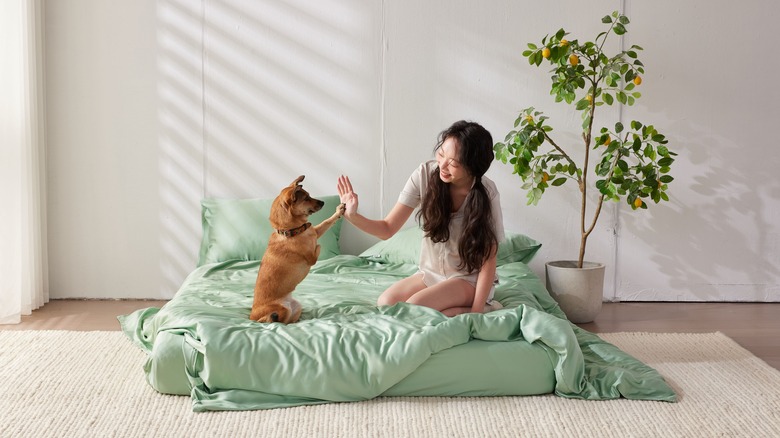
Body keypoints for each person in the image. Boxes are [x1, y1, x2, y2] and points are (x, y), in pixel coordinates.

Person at [337, 120, 504, 317]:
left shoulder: (487, 192)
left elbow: (489, 257)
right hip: (431, 274)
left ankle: (484, 307)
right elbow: (387, 229)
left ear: (472, 167)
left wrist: (476, 312)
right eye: (441, 154)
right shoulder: (424, 175)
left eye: (453, 163)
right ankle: (454, 309)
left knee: (414, 307)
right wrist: (352, 216)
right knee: (386, 303)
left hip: (468, 279)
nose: (442, 165)